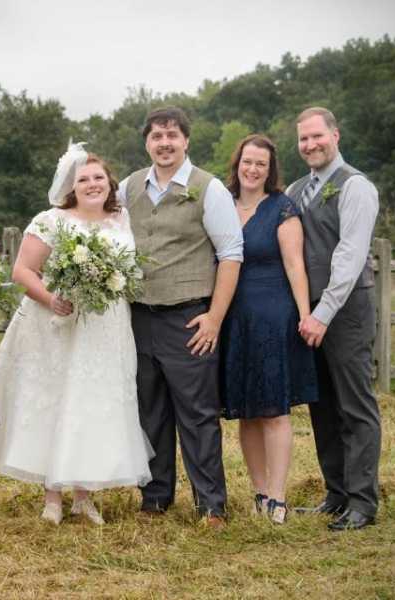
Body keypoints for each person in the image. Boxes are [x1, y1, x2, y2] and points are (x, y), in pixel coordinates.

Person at [0, 146, 152, 525]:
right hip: (57, 324)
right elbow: (23, 271)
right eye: (83, 179)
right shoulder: (51, 220)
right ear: (71, 186)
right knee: (58, 399)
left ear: (110, 183)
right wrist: (51, 298)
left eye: (98, 178)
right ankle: (52, 496)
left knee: (92, 401)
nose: (92, 184)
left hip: (107, 326)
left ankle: (83, 495)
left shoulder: (121, 219)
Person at [118, 107, 243, 527]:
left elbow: (231, 255)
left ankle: (211, 505)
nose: (164, 143)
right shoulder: (129, 187)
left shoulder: (209, 189)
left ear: (186, 140)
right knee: (149, 411)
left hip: (189, 317)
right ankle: (155, 498)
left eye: (172, 135)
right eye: (156, 136)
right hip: (138, 316)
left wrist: (214, 319)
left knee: (197, 413)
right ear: (146, 143)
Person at [287, 107, 381, 531]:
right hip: (309, 317)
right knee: (321, 406)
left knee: (354, 407)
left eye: (317, 136)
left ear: (335, 135)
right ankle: (336, 494)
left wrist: (323, 313)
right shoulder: (294, 189)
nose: (310, 145)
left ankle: (363, 502)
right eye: (303, 139)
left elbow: (349, 255)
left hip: (345, 314)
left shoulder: (356, 187)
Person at [219, 135, 317, 524]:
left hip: (273, 315)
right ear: (238, 163)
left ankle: (278, 496)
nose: (253, 169)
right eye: (248, 161)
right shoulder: (222, 203)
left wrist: (305, 314)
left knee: (274, 409)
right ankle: (259, 492)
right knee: (246, 410)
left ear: (270, 169)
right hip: (233, 316)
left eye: (261, 163)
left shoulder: (282, 208)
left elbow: (295, 265)